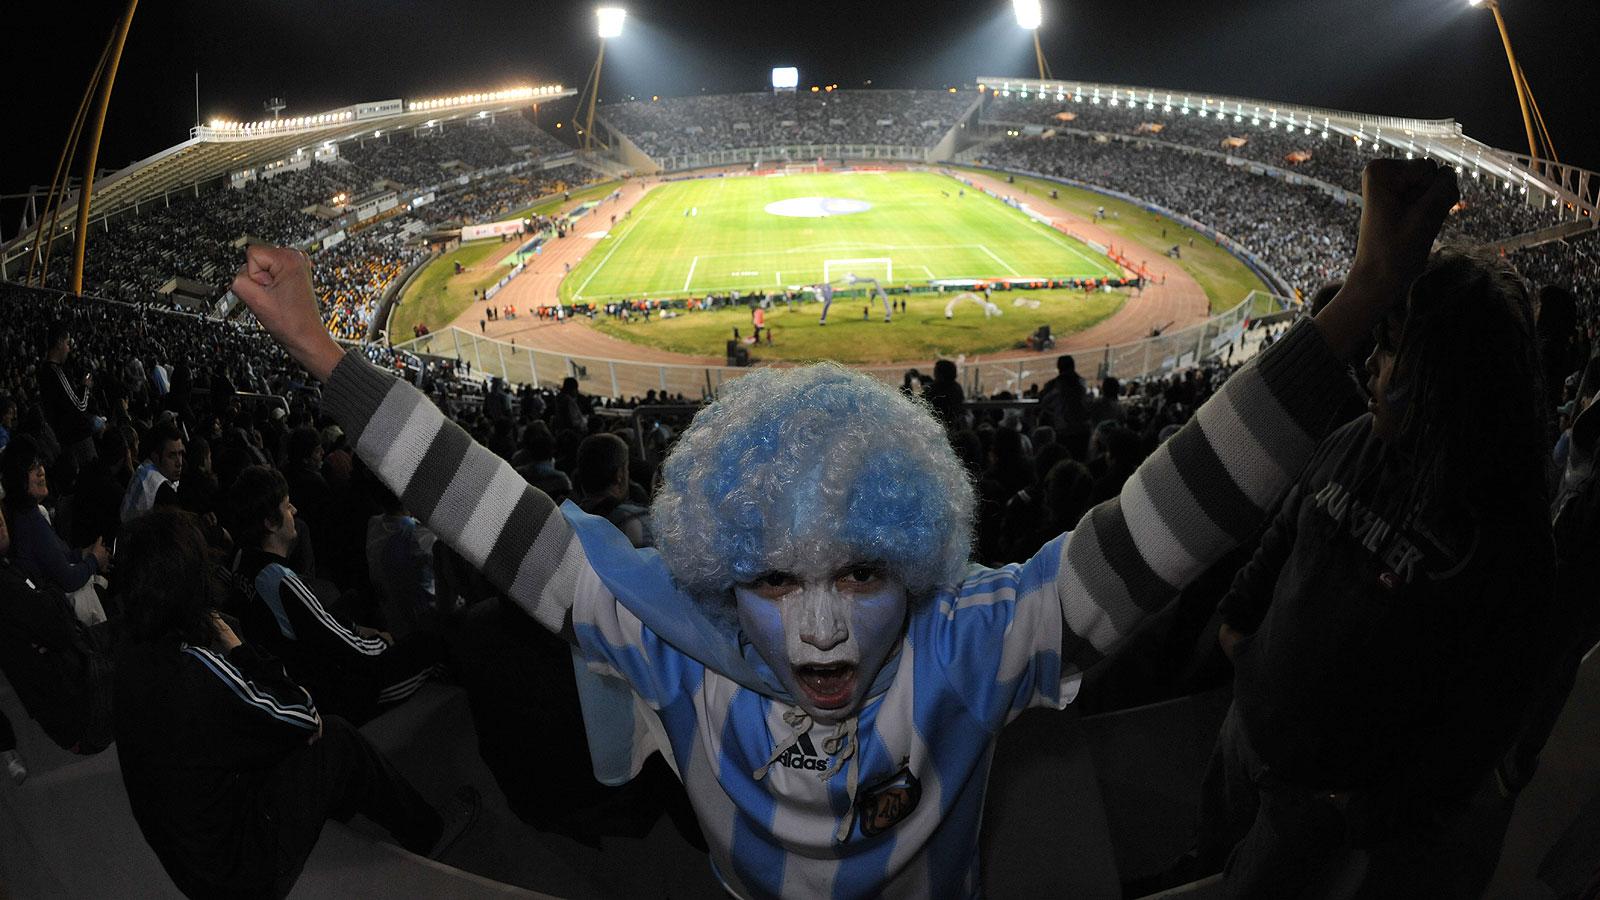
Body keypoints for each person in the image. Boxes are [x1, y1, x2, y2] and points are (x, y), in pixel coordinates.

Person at [233, 160, 1459, 898]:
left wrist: (1360, 300)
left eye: (861, 572)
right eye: (773, 580)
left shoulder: (696, 624)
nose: (819, 629)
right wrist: (321, 355)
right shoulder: (955, 636)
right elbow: (489, 511)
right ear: (718, 573)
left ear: (916, 556)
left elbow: (1170, 517)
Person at [1201, 250, 1556, 897]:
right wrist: (1236, 625)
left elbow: (1483, 724)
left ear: (1441, 376)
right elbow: (1287, 532)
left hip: (1315, 806)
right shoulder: (1357, 440)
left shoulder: (1505, 542)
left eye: (1390, 351)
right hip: (1247, 729)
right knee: (1204, 855)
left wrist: (1360, 809)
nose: (1369, 365)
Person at [112, 510, 475, 899]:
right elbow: (305, 714)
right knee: (336, 739)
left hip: (188, 859)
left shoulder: (129, 658)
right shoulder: (197, 668)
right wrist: (238, 647)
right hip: (237, 875)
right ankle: (429, 832)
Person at [230, 467, 444, 725]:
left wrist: (356, 628)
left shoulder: (243, 560)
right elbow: (352, 653)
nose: (294, 511)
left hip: (307, 682)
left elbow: (319, 625)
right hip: (344, 694)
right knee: (437, 643)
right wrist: (385, 641)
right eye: (287, 507)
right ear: (270, 521)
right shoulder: (279, 580)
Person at [0, 501, 116, 754]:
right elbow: (59, 621)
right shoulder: (7, 585)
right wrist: (53, 584)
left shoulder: (11, 566)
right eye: (32, 467)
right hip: (82, 716)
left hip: (73, 699)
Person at [2, 435, 109, 622]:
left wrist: (83, 554)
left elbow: (53, 559)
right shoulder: (28, 520)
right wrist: (94, 560)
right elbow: (68, 580)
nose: (41, 471)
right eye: (32, 468)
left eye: (40, 464)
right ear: (18, 479)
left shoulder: (28, 512)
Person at [121, 422, 184, 523]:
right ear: (155, 457)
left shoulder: (143, 469)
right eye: (172, 455)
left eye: (180, 454)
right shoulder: (164, 493)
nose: (179, 463)